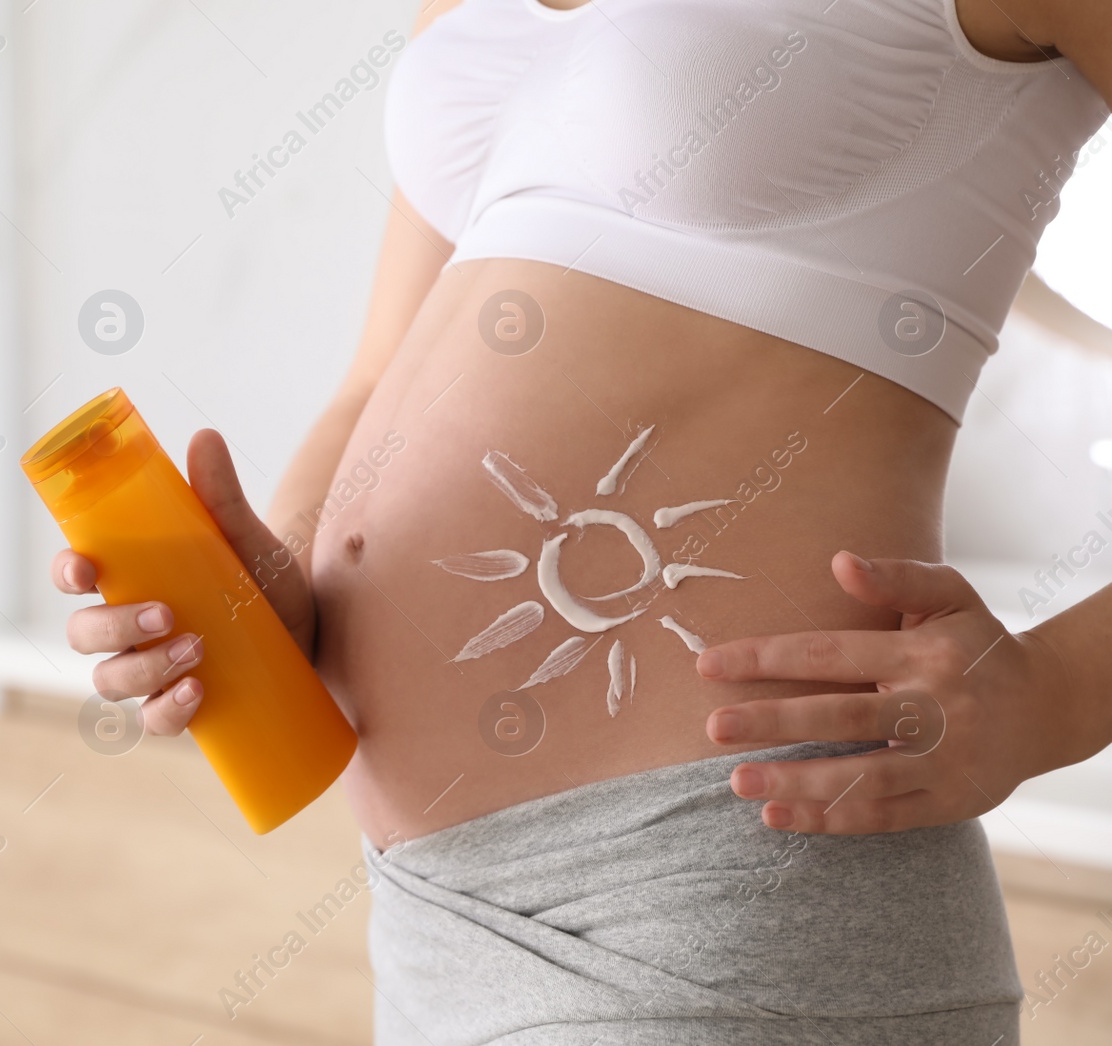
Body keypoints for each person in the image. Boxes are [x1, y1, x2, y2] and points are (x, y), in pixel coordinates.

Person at [55, 0, 1112, 1039]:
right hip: (432, 914)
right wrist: (274, 588)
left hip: (729, 884)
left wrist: (1053, 693)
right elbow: (372, 383)